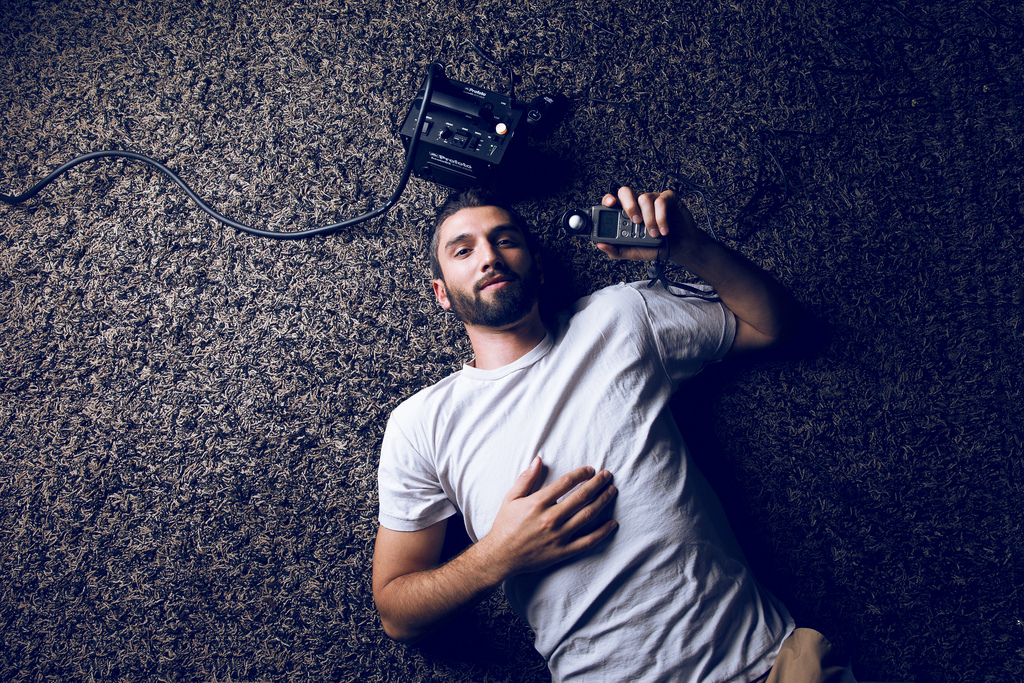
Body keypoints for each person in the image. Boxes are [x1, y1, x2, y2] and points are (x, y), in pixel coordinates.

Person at [372, 186, 849, 682]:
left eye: (505, 240)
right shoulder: (420, 425)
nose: (489, 256)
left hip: (765, 664)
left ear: (538, 266)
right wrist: (498, 555)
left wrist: (690, 248)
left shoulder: (619, 316)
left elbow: (776, 325)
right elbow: (397, 614)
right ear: (442, 293)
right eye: (463, 250)